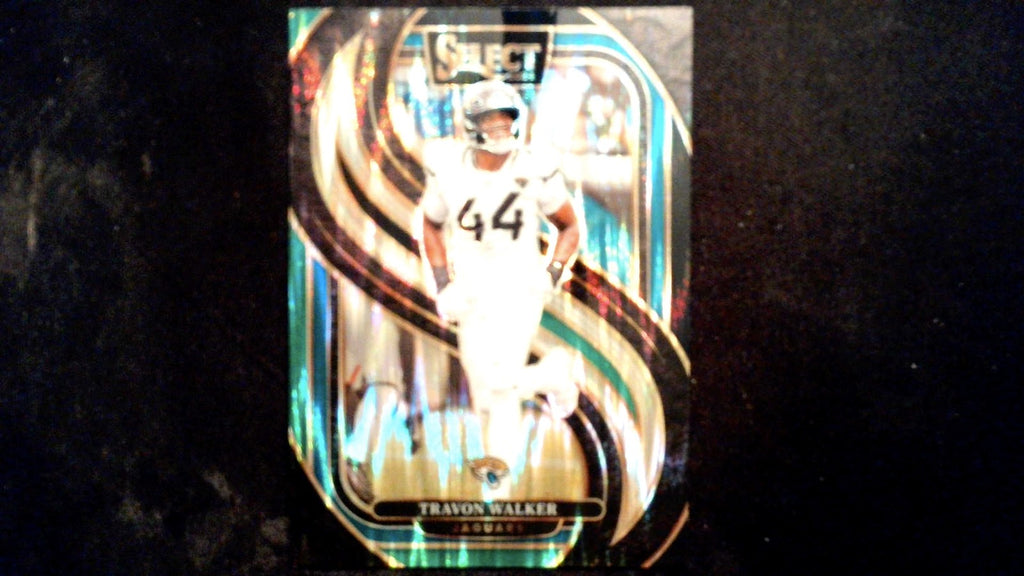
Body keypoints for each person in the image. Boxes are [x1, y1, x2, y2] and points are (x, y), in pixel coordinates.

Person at [418, 79, 582, 494]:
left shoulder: (534, 167)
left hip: (519, 289)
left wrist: (552, 272)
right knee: (485, 396)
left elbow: (569, 226)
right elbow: (430, 225)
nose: (501, 129)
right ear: (472, 124)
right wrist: (443, 283)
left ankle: (498, 485)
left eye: (506, 120)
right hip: (472, 291)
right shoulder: (450, 167)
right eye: (491, 121)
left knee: (501, 384)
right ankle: (552, 374)